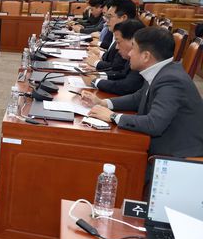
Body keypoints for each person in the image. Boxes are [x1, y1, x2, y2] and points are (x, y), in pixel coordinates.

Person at [83, 26, 203, 157]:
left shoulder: (172, 80)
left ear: (146, 56)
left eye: (133, 48)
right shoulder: (161, 69)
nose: (129, 54)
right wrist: (103, 103)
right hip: (158, 146)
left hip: (176, 157)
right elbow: (138, 98)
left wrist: (113, 116)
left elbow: (154, 124)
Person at [88, 19, 145, 96]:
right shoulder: (131, 57)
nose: (116, 47)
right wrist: (98, 75)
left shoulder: (141, 60)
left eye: (118, 42)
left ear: (133, 41)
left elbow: (127, 86)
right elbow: (122, 74)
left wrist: (95, 81)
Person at [84, 0, 137, 71]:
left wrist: (96, 63)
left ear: (123, 18)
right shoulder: (120, 32)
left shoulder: (131, 36)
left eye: (110, 17)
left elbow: (118, 67)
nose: (106, 21)